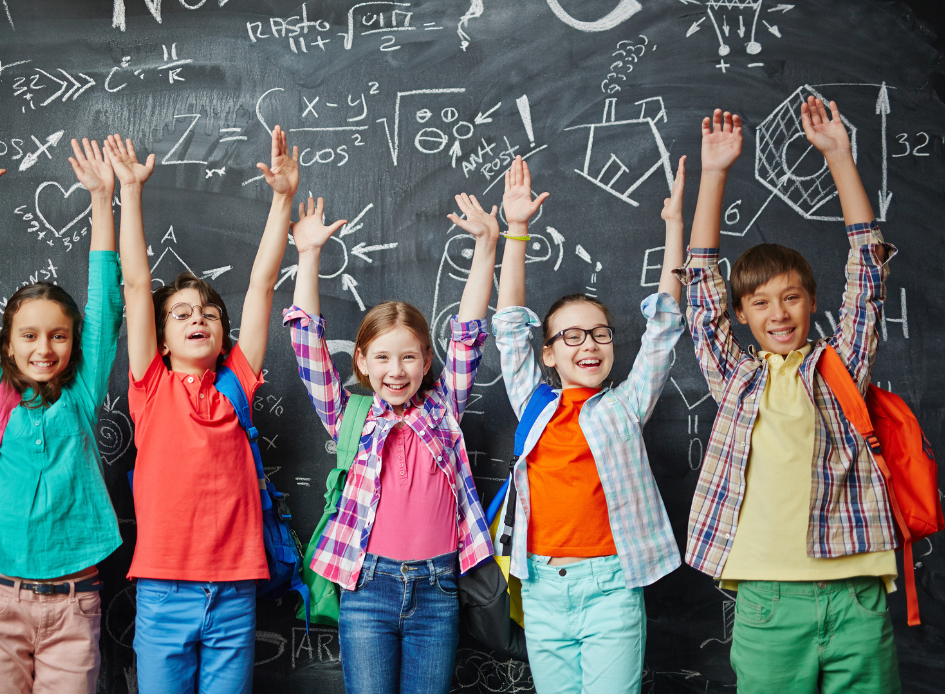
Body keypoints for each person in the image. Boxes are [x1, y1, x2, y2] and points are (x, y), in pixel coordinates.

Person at [680, 100, 900, 693]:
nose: (778, 313)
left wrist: (839, 157)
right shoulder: (736, 378)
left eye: (791, 297)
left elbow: (869, 275)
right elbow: (700, 291)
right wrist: (716, 173)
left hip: (856, 592)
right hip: (768, 600)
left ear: (811, 301)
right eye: (759, 303)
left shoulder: (841, 366)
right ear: (744, 315)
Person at [283, 193, 497, 694]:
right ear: (361, 361)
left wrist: (486, 246)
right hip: (367, 588)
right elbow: (306, 345)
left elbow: (467, 335)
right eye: (381, 358)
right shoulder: (349, 414)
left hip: (438, 586)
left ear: (426, 362)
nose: (395, 371)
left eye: (408, 358)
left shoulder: (443, 407)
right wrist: (309, 256)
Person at [490, 155, 687, 694]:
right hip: (541, 584)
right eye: (571, 337)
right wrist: (517, 230)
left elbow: (664, 326)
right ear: (549, 353)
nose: (589, 345)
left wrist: (674, 230)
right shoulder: (533, 402)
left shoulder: (624, 406)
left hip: (612, 585)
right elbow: (509, 327)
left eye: (599, 334)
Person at [111, 126, 297, 694]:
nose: (199, 319)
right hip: (163, 590)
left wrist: (283, 199)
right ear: (163, 339)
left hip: (236, 588)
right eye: (183, 313)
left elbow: (262, 286)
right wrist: (131, 193)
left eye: (211, 313)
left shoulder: (236, 383)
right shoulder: (150, 385)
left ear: (223, 335)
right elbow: (138, 284)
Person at [0, 130, 122, 693]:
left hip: (74, 605)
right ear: (8, 345)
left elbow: (106, 300)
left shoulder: (82, 394)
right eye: (30, 336)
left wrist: (101, 199)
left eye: (59, 336)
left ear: (75, 342)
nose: (45, 348)